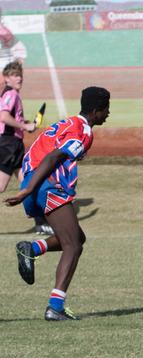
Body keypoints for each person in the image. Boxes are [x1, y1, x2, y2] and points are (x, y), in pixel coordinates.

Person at [5, 86, 111, 321]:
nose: (108, 114)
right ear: (95, 111)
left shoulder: (66, 123)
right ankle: (55, 307)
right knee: (73, 246)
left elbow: (38, 151)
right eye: (106, 109)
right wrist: (29, 189)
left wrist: (30, 184)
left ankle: (31, 249)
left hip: (37, 179)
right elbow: (54, 157)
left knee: (77, 239)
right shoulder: (83, 132)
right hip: (46, 184)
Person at [0, 61, 52, 234]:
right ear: (6, 78)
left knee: (29, 183)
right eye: (14, 75)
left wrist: (24, 124)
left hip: (13, 145)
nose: (19, 77)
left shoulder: (9, 94)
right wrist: (25, 127)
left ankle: (40, 223)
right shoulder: (11, 94)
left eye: (20, 74)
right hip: (8, 145)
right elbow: (4, 116)